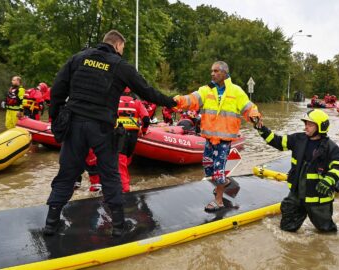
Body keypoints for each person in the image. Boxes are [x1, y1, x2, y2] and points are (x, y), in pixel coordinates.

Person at [44, 30, 177, 237]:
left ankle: (51, 224)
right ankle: (118, 226)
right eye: (122, 48)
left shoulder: (78, 58)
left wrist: (55, 119)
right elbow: (147, 91)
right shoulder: (120, 65)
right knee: (110, 175)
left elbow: (58, 90)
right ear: (117, 45)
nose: (122, 52)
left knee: (67, 174)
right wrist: (171, 102)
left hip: (74, 124)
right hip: (102, 128)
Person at [174, 61, 261, 212]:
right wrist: (177, 101)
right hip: (209, 138)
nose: (212, 74)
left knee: (218, 171)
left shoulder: (236, 91)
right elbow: (191, 99)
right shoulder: (206, 90)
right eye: (211, 71)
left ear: (224, 73)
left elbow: (248, 107)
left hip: (224, 140)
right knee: (208, 168)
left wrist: (255, 116)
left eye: (215, 71)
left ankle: (219, 200)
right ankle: (225, 182)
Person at [255, 109, 339, 232]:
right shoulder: (298, 139)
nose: (306, 127)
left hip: (318, 198)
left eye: (310, 124)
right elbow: (278, 141)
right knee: (286, 229)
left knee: (326, 233)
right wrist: (261, 129)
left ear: (320, 127)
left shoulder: (331, 148)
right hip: (297, 194)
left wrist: (328, 180)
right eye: (305, 124)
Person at [116, 87, 150, 192]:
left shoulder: (114, 100)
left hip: (119, 134)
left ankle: (124, 188)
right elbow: (146, 119)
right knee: (126, 160)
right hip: (133, 135)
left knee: (120, 161)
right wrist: (143, 131)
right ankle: (124, 182)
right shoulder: (137, 102)